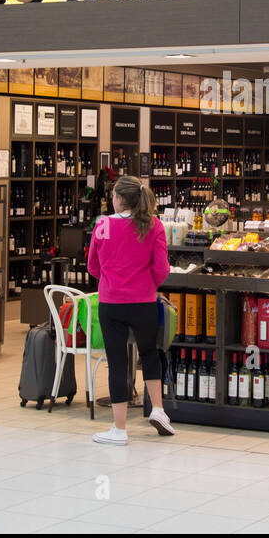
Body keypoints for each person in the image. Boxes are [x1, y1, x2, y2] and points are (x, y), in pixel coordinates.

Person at [86, 175, 175, 445]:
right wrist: (149, 286)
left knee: (117, 362)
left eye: (113, 195)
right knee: (149, 353)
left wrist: (111, 279)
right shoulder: (154, 225)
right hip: (144, 301)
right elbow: (162, 268)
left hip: (111, 302)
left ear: (120, 199)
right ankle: (158, 409)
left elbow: (92, 266)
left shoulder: (102, 225)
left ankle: (119, 429)